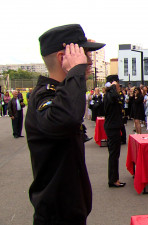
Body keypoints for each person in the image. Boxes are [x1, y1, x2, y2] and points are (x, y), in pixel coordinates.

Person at [25, 24, 105, 224]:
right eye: (84, 53)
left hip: (68, 211)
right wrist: (75, 71)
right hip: (56, 215)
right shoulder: (44, 96)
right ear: (63, 58)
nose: (88, 61)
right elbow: (65, 119)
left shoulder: (60, 93)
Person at [103, 75, 126, 188]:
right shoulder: (109, 96)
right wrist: (113, 87)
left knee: (114, 154)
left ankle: (113, 178)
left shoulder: (109, 95)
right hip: (112, 127)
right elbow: (115, 96)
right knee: (113, 154)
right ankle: (113, 180)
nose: (119, 87)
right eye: (117, 85)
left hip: (113, 126)